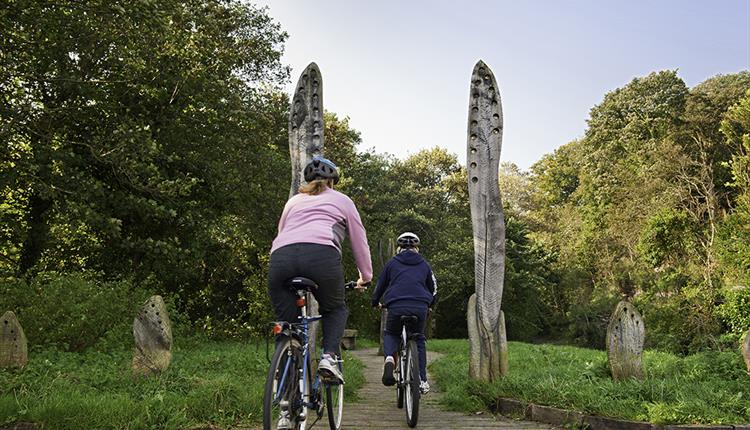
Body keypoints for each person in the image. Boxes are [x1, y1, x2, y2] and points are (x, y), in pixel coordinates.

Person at [268, 156, 372, 384]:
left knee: (288, 326)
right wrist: (365, 276)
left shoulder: (293, 202)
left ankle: (285, 398)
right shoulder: (343, 200)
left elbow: (282, 232)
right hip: (321, 256)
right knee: (335, 308)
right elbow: (359, 240)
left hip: (280, 259)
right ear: (332, 182)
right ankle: (328, 357)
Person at [371, 232, 437, 394]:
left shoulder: (392, 263)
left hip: (396, 305)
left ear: (399, 248)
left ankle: (389, 359)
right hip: (420, 305)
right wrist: (430, 304)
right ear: (417, 248)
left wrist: (375, 302)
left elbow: (381, 285)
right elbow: (433, 289)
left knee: (392, 333)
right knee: (418, 338)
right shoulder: (424, 264)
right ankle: (422, 380)